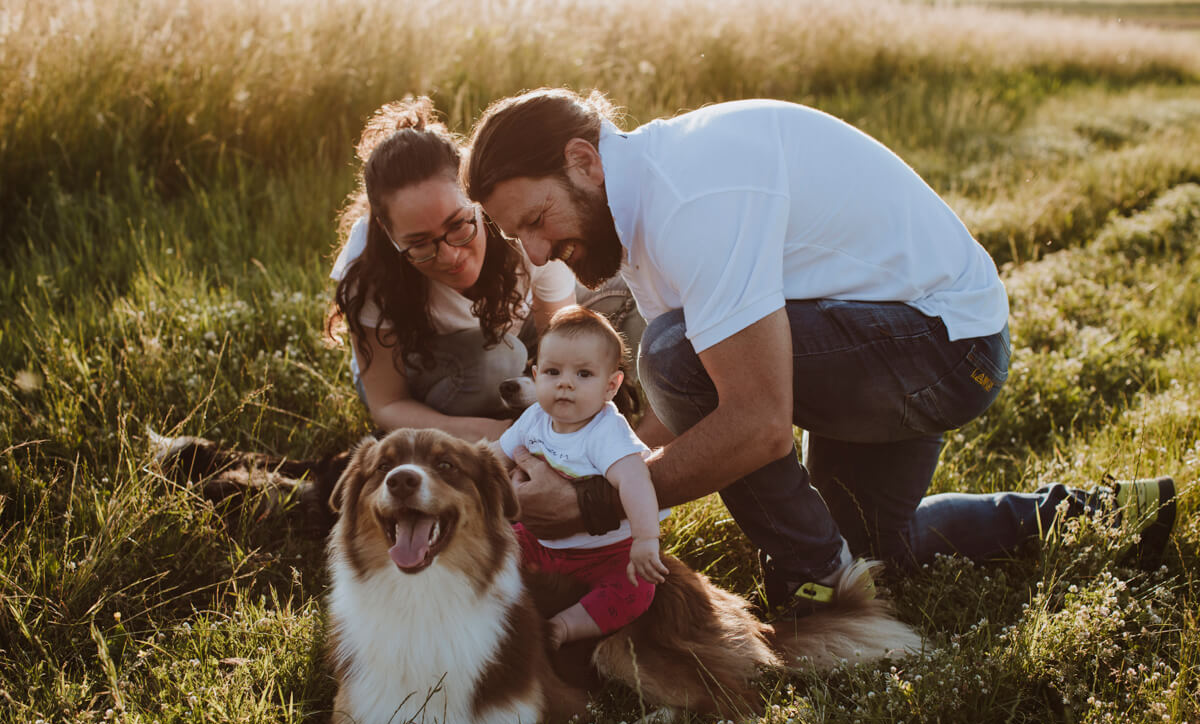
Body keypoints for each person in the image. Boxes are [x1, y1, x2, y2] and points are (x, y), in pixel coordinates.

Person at [463, 88, 1178, 619]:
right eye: (517, 235)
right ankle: (1095, 512)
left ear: (583, 162)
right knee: (873, 542)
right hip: (896, 338)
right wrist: (592, 467)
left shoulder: (687, 200)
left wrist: (594, 502)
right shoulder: (643, 203)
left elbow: (756, 420)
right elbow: (692, 413)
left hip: (942, 348)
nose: (536, 251)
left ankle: (816, 583)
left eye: (537, 220)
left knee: (674, 356)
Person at [325, 96, 579, 442]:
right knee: (499, 360)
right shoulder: (370, 267)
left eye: (459, 224)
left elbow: (562, 341)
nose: (450, 256)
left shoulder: (519, 222)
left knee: (611, 301)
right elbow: (388, 403)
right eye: (419, 243)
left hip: (506, 333)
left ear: (475, 198)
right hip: (414, 375)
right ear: (388, 232)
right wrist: (500, 434)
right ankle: (465, 417)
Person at [491, 306, 669, 646]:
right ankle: (490, 606)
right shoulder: (533, 419)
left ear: (611, 386)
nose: (565, 384)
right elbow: (494, 457)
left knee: (635, 589)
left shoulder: (607, 433)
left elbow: (635, 481)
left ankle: (565, 627)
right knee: (493, 546)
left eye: (584, 374)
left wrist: (646, 540)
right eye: (553, 372)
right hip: (539, 540)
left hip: (605, 552)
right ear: (537, 373)